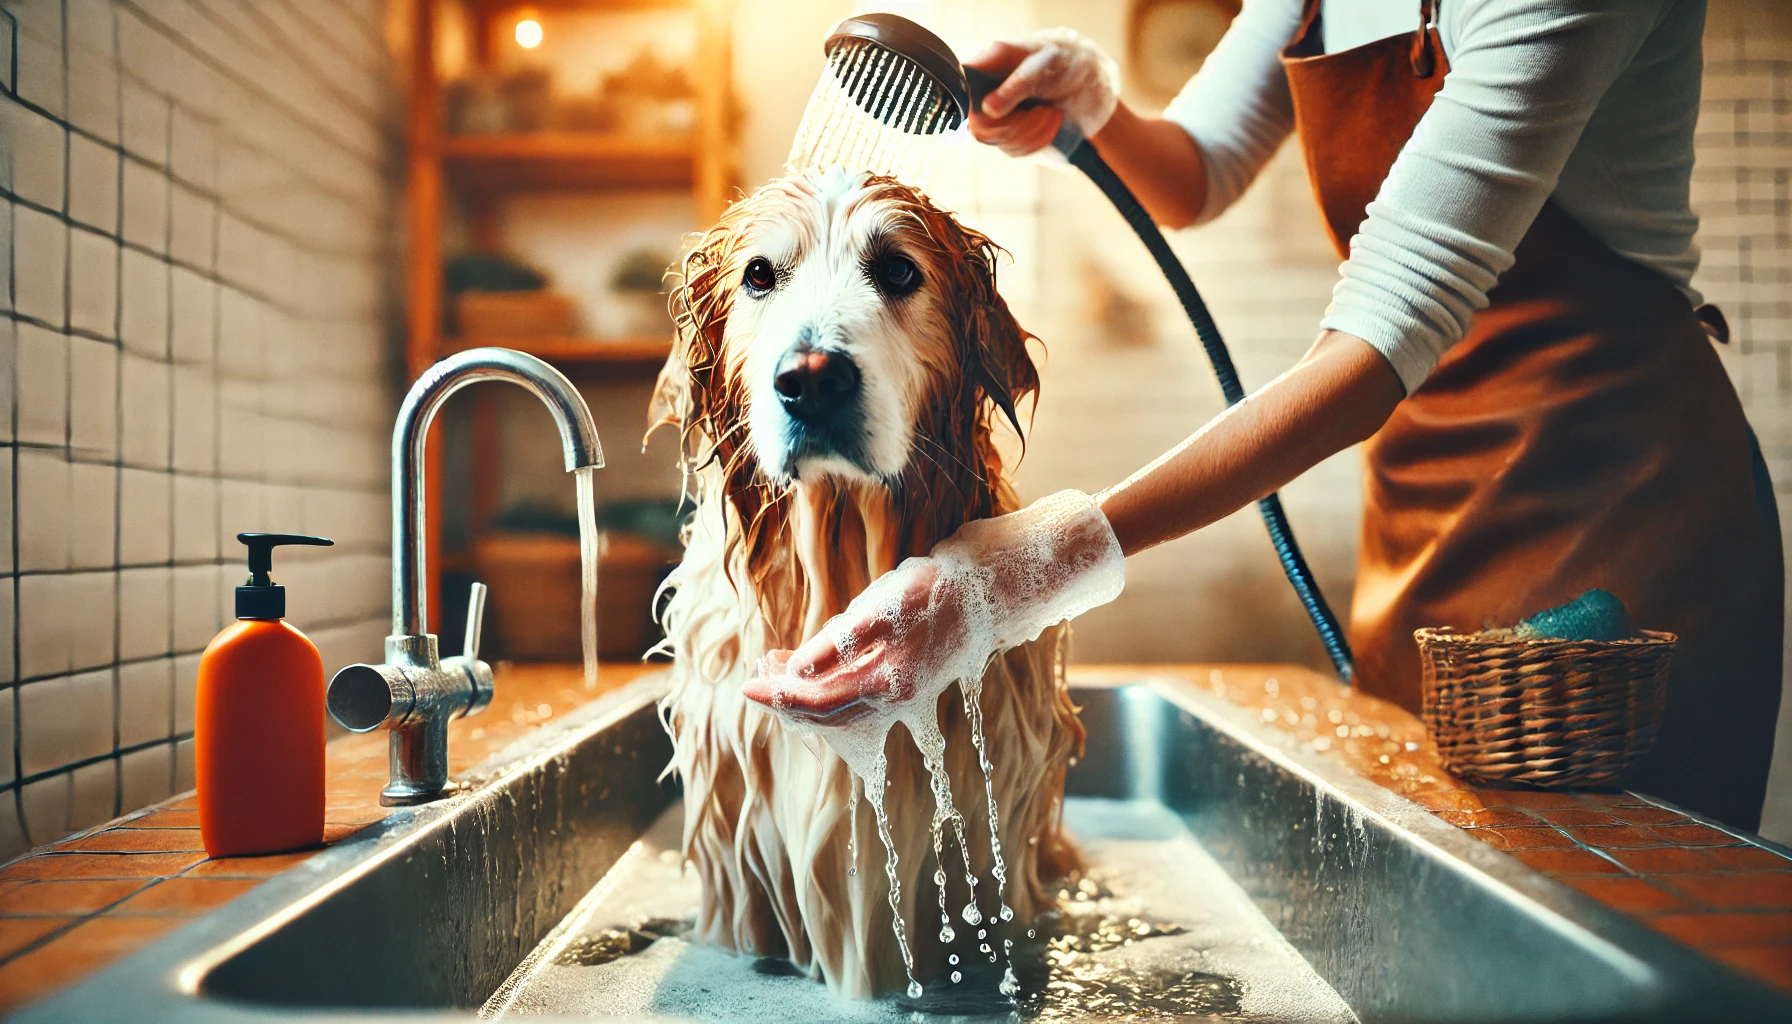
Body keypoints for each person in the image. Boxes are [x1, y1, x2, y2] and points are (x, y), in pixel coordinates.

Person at [746, 0, 1783, 831]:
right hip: (1424, 494)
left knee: (1623, 888)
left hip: (1618, 496)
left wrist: (1031, 561)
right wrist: (1094, 107)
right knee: (1434, 862)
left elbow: (1381, 339)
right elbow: (1197, 175)